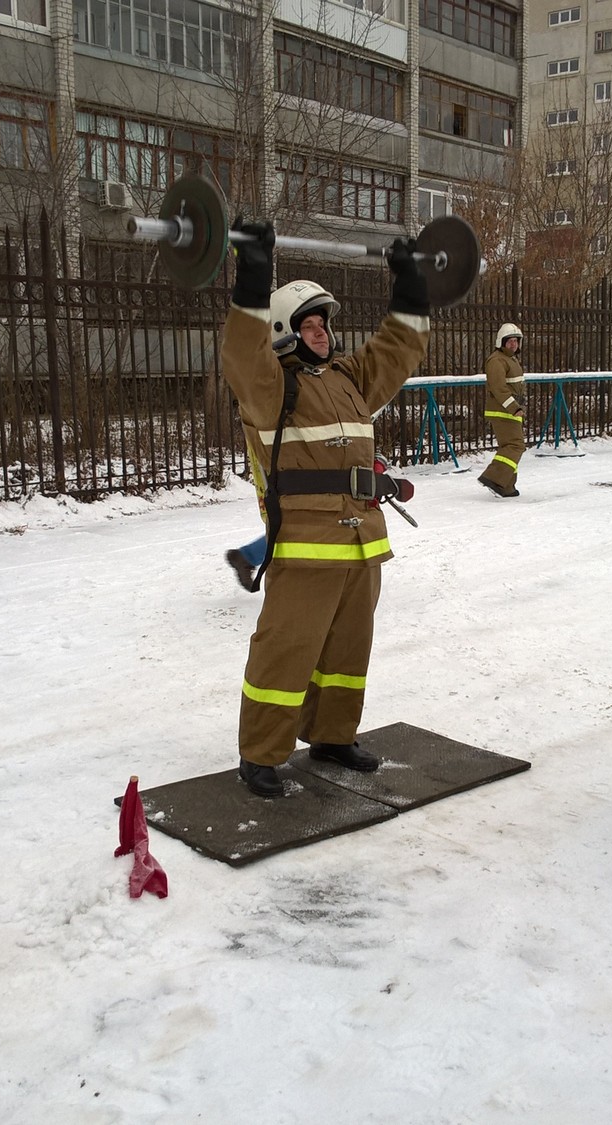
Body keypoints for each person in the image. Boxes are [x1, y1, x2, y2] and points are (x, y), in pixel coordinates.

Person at [220, 220, 430, 798]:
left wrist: (409, 284)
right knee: (286, 653)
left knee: (347, 651)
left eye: (324, 324)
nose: (320, 333)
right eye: (308, 325)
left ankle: (333, 735)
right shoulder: (270, 384)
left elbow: (398, 349)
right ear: (286, 331)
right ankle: (261, 753)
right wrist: (254, 275)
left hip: (363, 542)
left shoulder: (348, 379)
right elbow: (242, 352)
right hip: (307, 548)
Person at [477, 323, 525, 498]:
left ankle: (507, 486)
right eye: (510, 341)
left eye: (516, 341)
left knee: (510, 447)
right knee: (515, 445)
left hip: (510, 411)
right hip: (504, 412)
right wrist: (514, 408)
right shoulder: (497, 360)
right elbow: (499, 388)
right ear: (501, 342)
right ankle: (494, 478)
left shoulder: (510, 359)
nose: (513, 344)